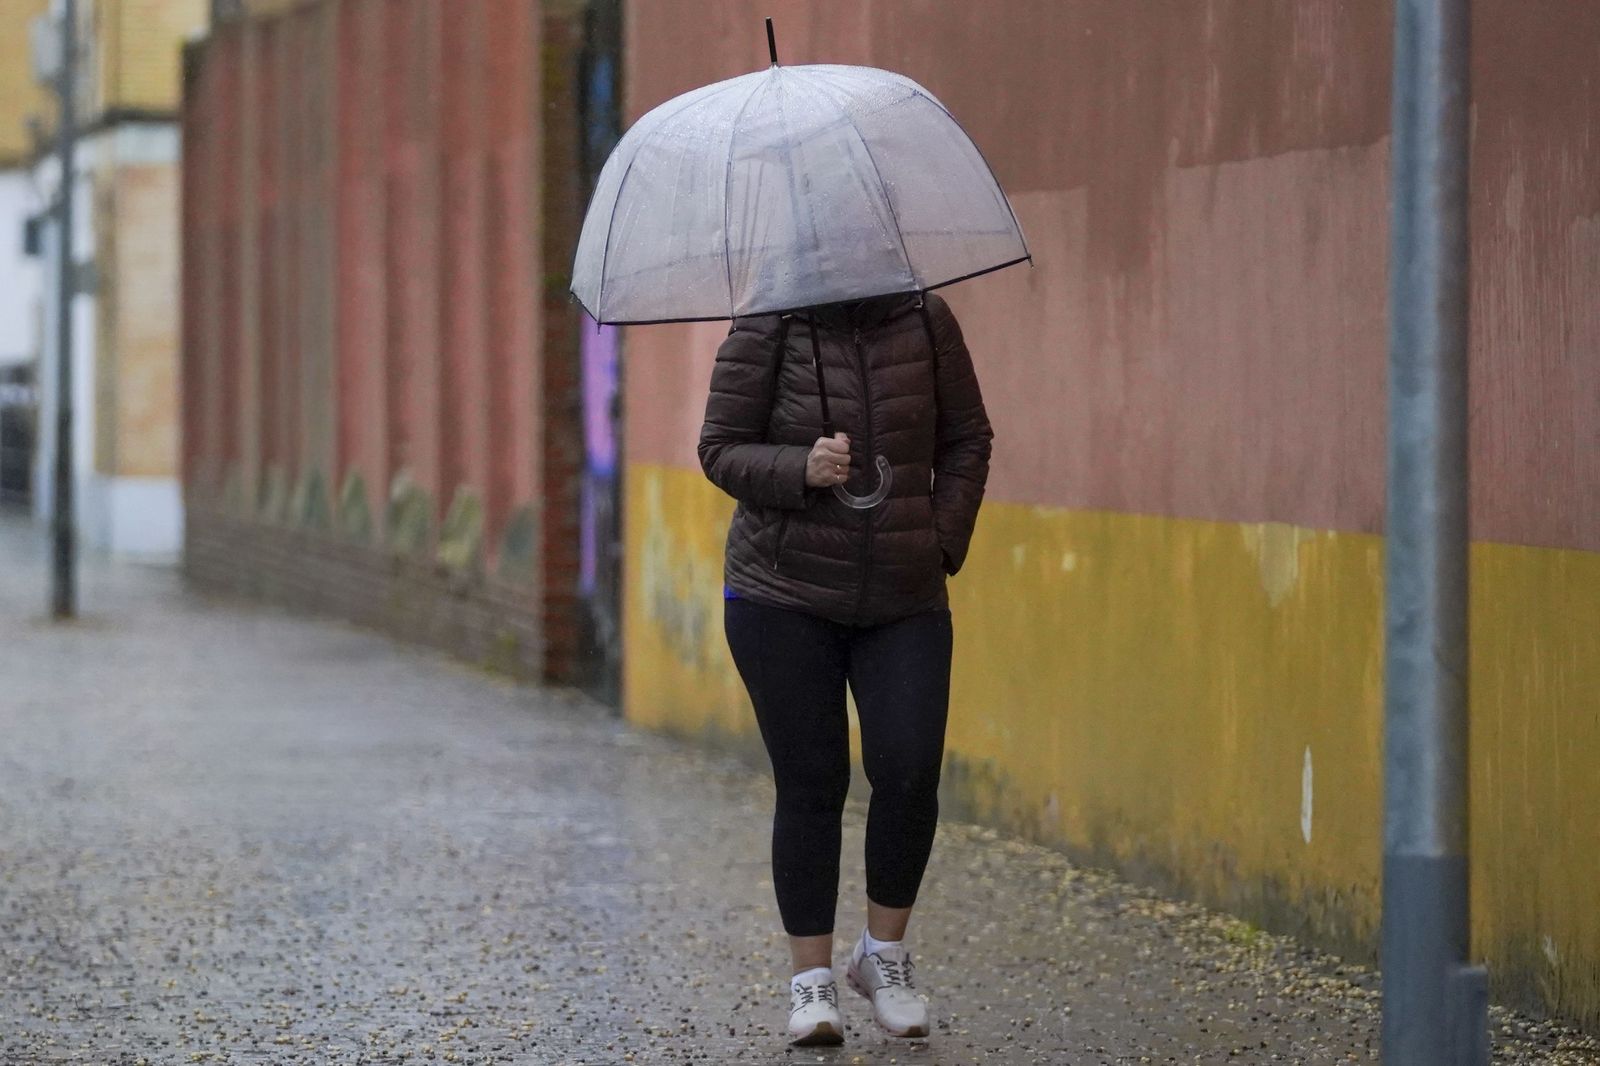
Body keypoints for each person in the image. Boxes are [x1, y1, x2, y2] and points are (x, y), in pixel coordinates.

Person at [697, 289, 993, 1046]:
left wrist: (941, 542)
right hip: (781, 593)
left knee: (908, 769)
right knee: (812, 782)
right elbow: (720, 448)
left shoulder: (927, 320)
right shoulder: (768, 322)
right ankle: (812, 985)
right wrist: (802, 465)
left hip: (905, 593)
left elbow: (968, 438)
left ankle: (883, 958)